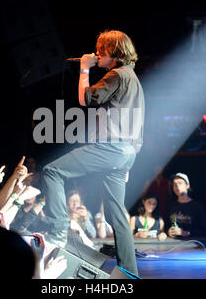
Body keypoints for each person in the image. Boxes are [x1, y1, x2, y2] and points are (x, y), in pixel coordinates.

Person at [41, 30, 144, 275]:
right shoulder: (132, 78)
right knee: (115, 213)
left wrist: (85, 68)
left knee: (52, 171)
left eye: (102, 51)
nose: (97, 55)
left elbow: (86, 99)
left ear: (115, 52)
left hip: (110, 147)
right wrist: (129, 160)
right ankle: (130, 271)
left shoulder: (117, 74)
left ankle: (57, 233)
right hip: (125, 152)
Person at [164, 173, 206, 238]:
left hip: (192, 245)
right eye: (174, 184)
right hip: (173, 246)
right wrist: (168, 231)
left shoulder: (197, 207)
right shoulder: (170, 206)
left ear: (187, 185)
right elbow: (165, 227)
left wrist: (186, 233)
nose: (177, 186)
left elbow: (205, 230)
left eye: (180, 183)